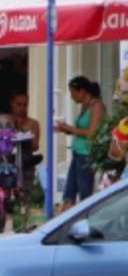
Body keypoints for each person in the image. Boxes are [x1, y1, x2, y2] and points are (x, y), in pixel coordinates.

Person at [55, 76, 105, 210]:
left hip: (87, 155)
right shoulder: (85, 106)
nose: (72, 97)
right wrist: (66, 130)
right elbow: (80, 130)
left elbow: (91, 132)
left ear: (82, 91)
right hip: (78, 153)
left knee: (85, 193)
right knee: (69, 192)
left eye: (73, 93)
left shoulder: (97, 106)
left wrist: (70, 128)